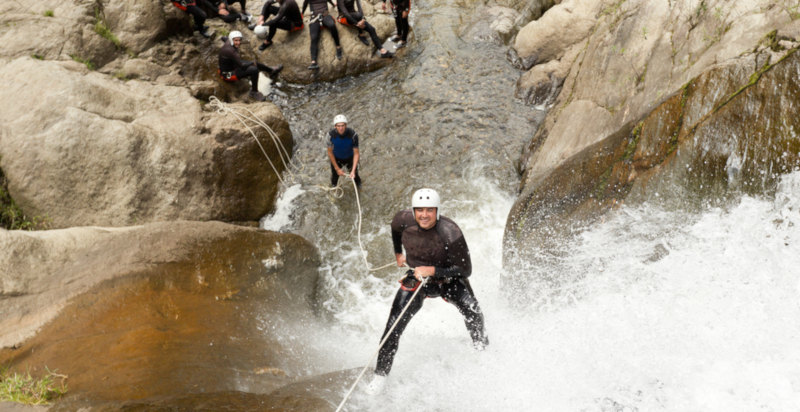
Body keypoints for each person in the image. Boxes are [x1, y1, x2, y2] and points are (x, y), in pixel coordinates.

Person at [367, 188, 489, 393]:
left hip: (448, 278)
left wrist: (433, 270)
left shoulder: (450, 231)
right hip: (418, 279)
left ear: (437, 211)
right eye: (420, 210)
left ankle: (481, 350)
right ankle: (380, 377)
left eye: (429, 210)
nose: (424, 215)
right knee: (392, 327)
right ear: (414, 211)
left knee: (474, 311)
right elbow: (395, 232)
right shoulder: (402, 220)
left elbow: (465, 270)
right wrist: (398, 253)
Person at [218, 31, 283, 101]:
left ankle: (271, 71)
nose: (238, 43)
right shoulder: (231, 51)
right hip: (227, 75)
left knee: (256, 64)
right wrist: (251, 63)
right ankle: (254, 92)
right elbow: (242, 66)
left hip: (232, 65)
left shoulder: (228, 41)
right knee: (254, 70)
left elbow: (224, 38)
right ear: (231, 40)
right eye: (236, 40)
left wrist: (253, 63)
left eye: (239, 40)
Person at [301, 0, 343, 70]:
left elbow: (329, 0)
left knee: (332, 25)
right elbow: (305, 4)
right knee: (314, 37)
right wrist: (302, 13)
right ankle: (313, 62)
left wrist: (333, 5)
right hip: (315, 17)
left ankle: (338, 47)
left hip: (325, 15)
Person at [327, 114, 361, 188]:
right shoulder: (330, 136)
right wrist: (337, 168)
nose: (341, 128)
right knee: (334, 178)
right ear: (335, 126)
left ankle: (359, 188)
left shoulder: (353, 135)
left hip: (350, 158)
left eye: (342, 125)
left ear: (346, 125)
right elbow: (330, 153)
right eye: (338, 126)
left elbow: (356, 154)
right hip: (337, 159)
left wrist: (353, 170)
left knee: (355, 176)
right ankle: (334, 189)